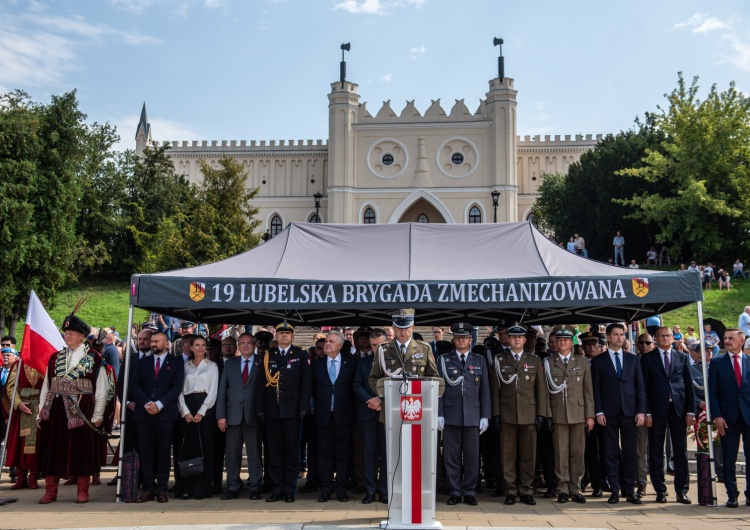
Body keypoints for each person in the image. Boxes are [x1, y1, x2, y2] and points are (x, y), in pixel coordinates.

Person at [36, 309, 108, 504]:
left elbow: (101, 388)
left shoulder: (94, 358)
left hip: (82, 408)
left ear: (82, 336)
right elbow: (47, 386)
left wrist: (97, 414)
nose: (67, 336)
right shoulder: (55, 358)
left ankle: (82, 491)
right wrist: (41, 411)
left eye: (71, 333)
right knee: (53, 450)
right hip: (56, 409)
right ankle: (50, 491)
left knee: (81, 451)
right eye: (66, 333)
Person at [490, 323, 549, 506]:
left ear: (524, 340)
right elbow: (495, 390)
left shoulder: (534, 360)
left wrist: (541, 413)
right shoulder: (499, 360)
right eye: (513, 337)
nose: (516, 340)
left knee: (528, 455)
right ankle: (510, 490)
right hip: (507, 414)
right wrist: (496, 414)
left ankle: (526, 490)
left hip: (529, 414)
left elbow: (541, 390)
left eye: (520, 337)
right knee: (507, 455)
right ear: (509, 339)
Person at [591, 323, 646, 505]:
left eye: (622, 334)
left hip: (630, 412)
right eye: (615, 334)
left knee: (630, 452)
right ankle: (614, 490)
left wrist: (641, 411)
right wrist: (598, 411)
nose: (620, 337)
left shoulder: (633, 359)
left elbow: (640, 387)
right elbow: (596, 389)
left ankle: (629, 490)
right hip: (608, 412)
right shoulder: (599, 361)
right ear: (608, 337)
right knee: (611, 453)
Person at [437, 323, 490, 507]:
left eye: (465, 338)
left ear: (470, 340)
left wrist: (485, 415)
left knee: (472, 456)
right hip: (451, 414)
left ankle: (469, 491)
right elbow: (439, 389)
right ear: (453, 341)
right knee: (450, 456)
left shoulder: (479, 360)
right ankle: (454, 491)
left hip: (473, 415)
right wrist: (439, 413)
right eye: (458, 338)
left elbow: (485, 390)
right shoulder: (443, 360)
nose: (461, 340)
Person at [641, 327, 695, 504]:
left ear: (673, 338)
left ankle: (682, 490)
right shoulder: (648, 359)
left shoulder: (683, 357)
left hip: (678, 409)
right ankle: (660, 490)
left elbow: (689, 385)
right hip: (656, 410)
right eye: (661, 336)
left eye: (668, 335)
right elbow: (644, 388)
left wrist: (691, 410)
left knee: (680, 451)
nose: (665, 338)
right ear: (655, 339)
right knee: (656, 450)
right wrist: (647, 411)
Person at [131, 331, 186, 503]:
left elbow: (177, 387)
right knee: (146, 452)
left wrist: (160, 405)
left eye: (157, 341)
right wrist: (147, 404)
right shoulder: (143, 362)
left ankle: (162, 488)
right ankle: (148, 488)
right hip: (144, 414)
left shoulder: (176, 362)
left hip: (166, 415)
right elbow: (135, 385)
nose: (153, 344)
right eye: (152, 341)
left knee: (163, 452)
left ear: (166, 343)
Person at [543, 328, 594, 504]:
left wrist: (590, 415)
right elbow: (545, 393)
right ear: (556, 343)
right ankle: (562, 487)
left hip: (579, 414)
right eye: (560, 340)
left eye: (566, 340)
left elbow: (588, 391)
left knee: (578, 453)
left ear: (571, 343)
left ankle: (575, 487)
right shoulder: (548, 363)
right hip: (558, 414)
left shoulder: (582, 362)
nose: (563, 342)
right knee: (560, 453)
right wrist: (548, 415)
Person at [263, 321, 312, 503]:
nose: (284, 336)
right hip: (273, 410)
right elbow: (262, 385)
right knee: (275, 453)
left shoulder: (300, 355)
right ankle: (277, 489)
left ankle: (289, 489)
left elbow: (306, 384)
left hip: (292, 411)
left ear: (292, 336)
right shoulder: (268, 355)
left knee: (292, 453)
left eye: (287, 333)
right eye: (281, 333)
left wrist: (303, 407)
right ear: (276, 335)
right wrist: (261, 409)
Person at [217, 333, 265, 500]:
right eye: (242, 343)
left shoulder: (262, 362)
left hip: (254, 416)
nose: (245, 346)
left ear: (255, 344)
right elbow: (222, 391)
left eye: (249, 343)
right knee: (232, 454)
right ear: (238, 345)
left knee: (254, 454)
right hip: (233, 416)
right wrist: (221, 416)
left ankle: (255, 487)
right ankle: (233, 487)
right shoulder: (230, 364)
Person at [311, 331, 357, 502]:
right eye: (326, 341)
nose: (327, 344)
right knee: (324, 454)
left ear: (340, 345)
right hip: (323, 416)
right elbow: (312, 389)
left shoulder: (351, 364)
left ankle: (341, 489)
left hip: (343, 416)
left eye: (331, 341)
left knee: (343, 454)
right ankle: (325, 489)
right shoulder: (316, 365)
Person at [708, 328, 750, 508]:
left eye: (731, 338)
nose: (727, 341)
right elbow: (712, 393)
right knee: (729, 456)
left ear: (741, 341)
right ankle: (732, 494)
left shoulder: (749, 361)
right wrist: (717, 415)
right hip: (727, 417)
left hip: (748, 416)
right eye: (725, 338)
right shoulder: (717, 363)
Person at [174, 336, 218, 499]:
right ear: (190, 347)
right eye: (197, 345)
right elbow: (178, 389)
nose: (200, 348)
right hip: (186, 407)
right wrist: (184, 411)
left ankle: (202, 489)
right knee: (185, 447)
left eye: (203, 345)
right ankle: (185, 488)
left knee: (204, 447)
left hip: (205, 408)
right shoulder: (184, 366)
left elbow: (213, 390)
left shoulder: (212, 366)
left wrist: (202, 411)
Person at [368, 309, 439, 400]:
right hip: (391, 402)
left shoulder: (424, 348)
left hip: (417, 404)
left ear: (412, 327)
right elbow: (373, 378)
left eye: (406, 327)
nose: (403, 331)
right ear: (393, 327)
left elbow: (433, 378)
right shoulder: (383, 349)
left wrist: (420, 393)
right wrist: (384, 395)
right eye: (399, 327)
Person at [353, 329, 388, 504]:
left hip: (386, 412)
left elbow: (395, 385)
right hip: (367, 412)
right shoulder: (363, 362)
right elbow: (357, 385)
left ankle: (384, 490)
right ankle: (370, 490)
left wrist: (381, 400)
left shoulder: (393, 363)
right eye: (374, 345)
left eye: (380, 345)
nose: (376, 348)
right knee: (368, 453)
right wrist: (370, 400)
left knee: (386, 453)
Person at [4, 347, 43, 491]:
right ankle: (21, 477)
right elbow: (10, 387)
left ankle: (33, 477)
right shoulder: (18, 364)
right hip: (22, 411)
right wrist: (18, 403)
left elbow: (48, 385)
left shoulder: (43, 363)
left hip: (38, 408)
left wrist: (43, 405)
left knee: (37, 445)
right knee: (20, 445)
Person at [634, 333, 655, 498]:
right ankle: (642, 482)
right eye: (641, 343)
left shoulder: (659, 360)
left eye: (648, 342)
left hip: (659, 412)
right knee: (640, 450)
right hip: (639, 412)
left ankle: (659, 484)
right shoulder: (634, 361)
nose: (644, 345)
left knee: (659, 450)